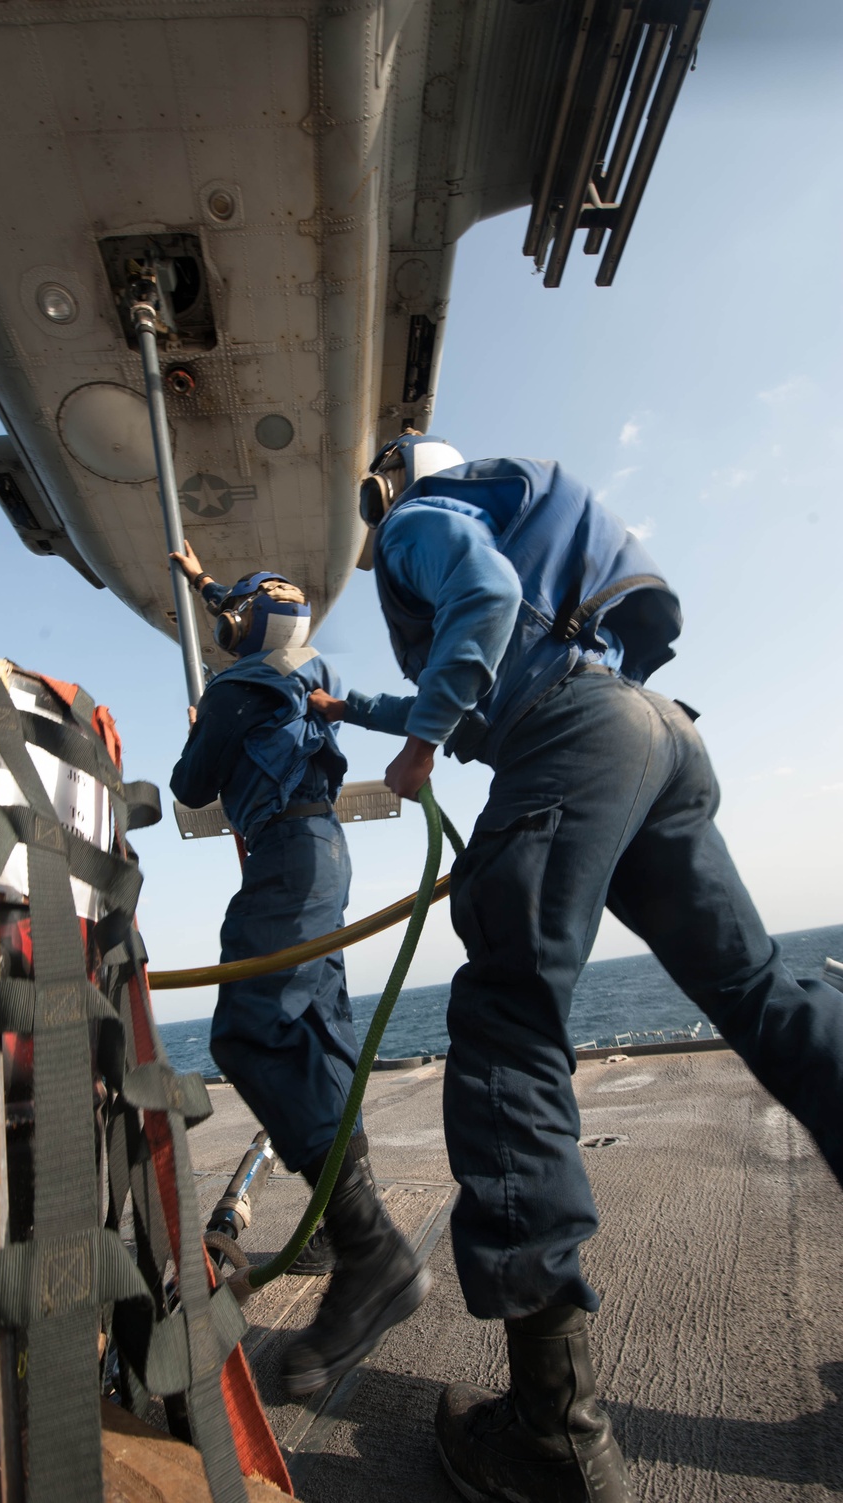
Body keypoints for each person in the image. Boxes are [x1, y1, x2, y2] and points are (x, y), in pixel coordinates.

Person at [309, 433, 843, 1503]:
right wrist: (363, 714)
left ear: (386, 486)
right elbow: (500, 642)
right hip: (653, 735)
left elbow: (487, 600)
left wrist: (416, 748)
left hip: (571, 739)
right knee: (760, 998)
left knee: (506, 1027)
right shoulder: (508, 517)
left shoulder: (420, 518)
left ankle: (552, 1436)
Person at [168, 541, 431, 1398]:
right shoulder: (297, 664)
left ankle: (371, 1249)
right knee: (315, 1031)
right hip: (321, 852)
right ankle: (335, 1222)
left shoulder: (236, 690)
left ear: (249, 632)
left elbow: (191, 783)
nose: (224, 624)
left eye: (230, 617)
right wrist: (203, 580)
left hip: (283, 859)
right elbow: (259, 615)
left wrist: (202, 717)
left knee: (253, 1034)